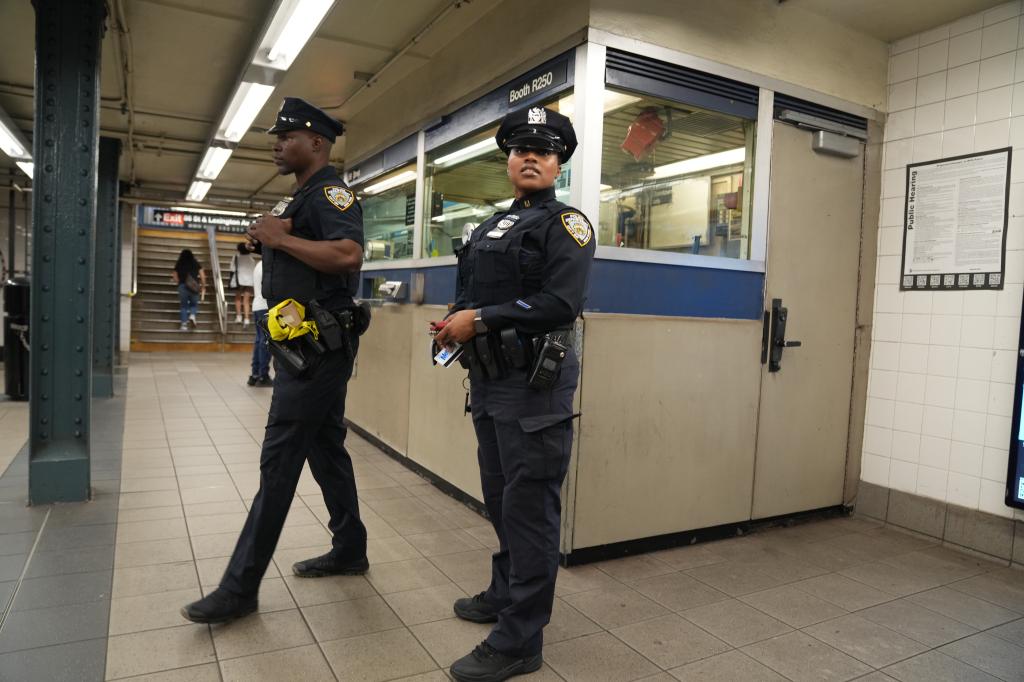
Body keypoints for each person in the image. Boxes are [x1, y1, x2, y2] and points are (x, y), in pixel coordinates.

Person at [182, 97, 368, 623]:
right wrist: (268, 242)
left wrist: (282, 239)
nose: (277, 145)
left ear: (317, 142)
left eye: (287, 136)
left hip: (316, 351)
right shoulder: (300, 197)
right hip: (303, 347)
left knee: (280, 458)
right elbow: (303, 250)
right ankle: (350, 547)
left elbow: (348, 255)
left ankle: (240, 588)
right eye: (276, 137)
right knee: (327, 448)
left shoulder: (330, 192)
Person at [432, 105, 595, 682]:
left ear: (559, 164)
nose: (531, 156)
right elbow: (472, 291)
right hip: (490, 380)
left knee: (530, 508)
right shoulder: (489, 227)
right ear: (508, 159)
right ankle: (506, 592)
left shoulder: (566, 225)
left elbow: (559, 303)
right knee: (502, 499)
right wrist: (457, 318)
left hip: (534, 387)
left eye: (545, 151)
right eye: (522, 148)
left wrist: (480, 317)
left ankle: (521, 639)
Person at [247, 258, 272, 387]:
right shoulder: (268, 265)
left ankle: (255, 374)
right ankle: (263, 375)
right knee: (265, 341)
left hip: (257, 305)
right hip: (265, 306)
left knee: (259, 340)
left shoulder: (259, 265)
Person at [170, 248, 206, 331]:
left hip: (182, 286)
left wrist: (179, 282)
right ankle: (192, 315)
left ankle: (184, 325)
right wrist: (203, 286)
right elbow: (202, 276)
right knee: (193, 304)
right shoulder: (195, 263)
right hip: (194, 286)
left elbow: (174, 276)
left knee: (183, 306)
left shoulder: (179, 263)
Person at [230, 241, 256, 326]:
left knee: (238, 299)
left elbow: (232, 269)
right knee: (246, 301)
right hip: (249, 282)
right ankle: (247, 319)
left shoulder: (236, 257)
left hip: (239, 281)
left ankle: (238, 317)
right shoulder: (252, 259)